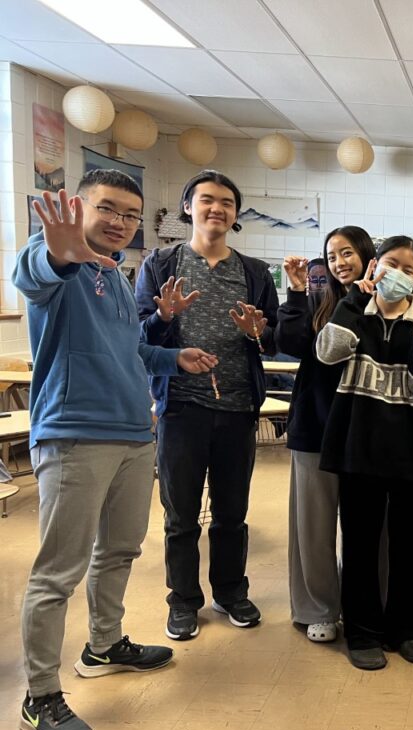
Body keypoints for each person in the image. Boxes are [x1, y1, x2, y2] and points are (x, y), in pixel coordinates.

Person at [14, 176, 217, 730]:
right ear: (77, 209)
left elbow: (128, 349)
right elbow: (32, 276)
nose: (120, 222)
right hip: (75, 434)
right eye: (107, 209)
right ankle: (40, 696)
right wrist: (57, 250)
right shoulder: (58, 260)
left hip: (133, 434)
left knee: (120, 550)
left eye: (130, 214)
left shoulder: (116, 276)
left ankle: (104, 645)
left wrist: (174, 354)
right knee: (59, 571)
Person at [136, 170, 279, 641]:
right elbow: (138, 336)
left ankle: (231, 592)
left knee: (232, 511)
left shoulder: (254, 272)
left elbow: (271, 338)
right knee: (180, 514)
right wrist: (163, 316)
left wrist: (258, 333)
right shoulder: (160, 264)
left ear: (236, 215)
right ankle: (182, 600)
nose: (216, 209)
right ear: (188, 207)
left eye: (226, 203)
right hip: (180, 407)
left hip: (238, 408)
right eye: (206, 200)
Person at [317, 237, 413, 669]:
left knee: (408, 547)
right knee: (360, 545)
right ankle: (362, 631)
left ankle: (406, 628)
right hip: (358, 451)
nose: (399, 275)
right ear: (375, 266)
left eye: (410, 269)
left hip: (411, 453)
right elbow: (328, 353)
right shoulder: (355, 313)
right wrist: (355, 298)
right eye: (392, 264)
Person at [276, 226, 375, 643]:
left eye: (347, 253)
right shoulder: (318, 302)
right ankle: (318, 607)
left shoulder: (387, 303)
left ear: (367, 255)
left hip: (367, 434)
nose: (339, 263)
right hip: (316, 428)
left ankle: (366, 606)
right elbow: (290, 343)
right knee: (313, 527)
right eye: (332, 256)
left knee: (370, 529)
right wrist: (296, 292)